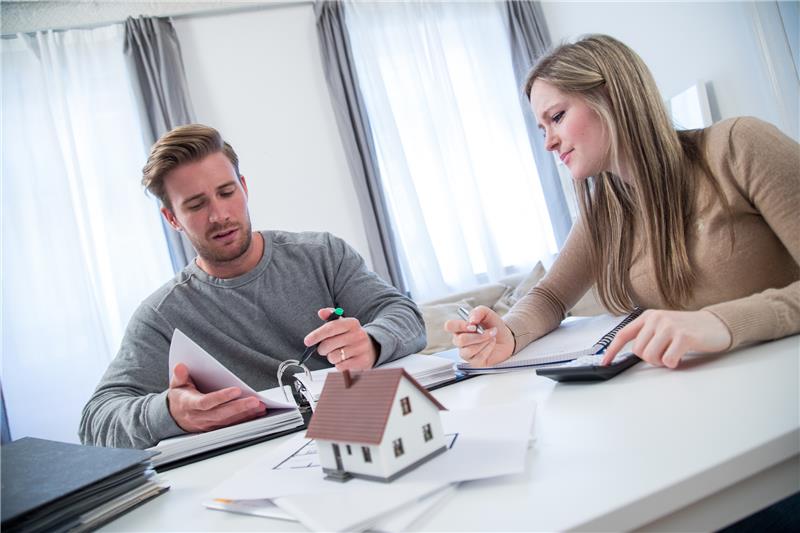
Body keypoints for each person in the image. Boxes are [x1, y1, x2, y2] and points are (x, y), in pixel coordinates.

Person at [446, 34, 799, 370]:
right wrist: (506, 333)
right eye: (542, 128)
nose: (549, 143)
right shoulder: (607, 209)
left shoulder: (738, 146)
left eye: (556, 117)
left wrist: (719, 323)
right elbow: (551, 297)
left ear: (611, 97)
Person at [79, 124, 426, 449]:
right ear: (172, 219)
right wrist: (170, 412)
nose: (219, 215)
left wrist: (371, 342)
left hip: (360, 435)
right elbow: (95, 423)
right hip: (253, 462)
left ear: (243, 187)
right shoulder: (162, 314)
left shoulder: (323, 255)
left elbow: (405, 316)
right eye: (197, 205)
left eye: (226, 192)